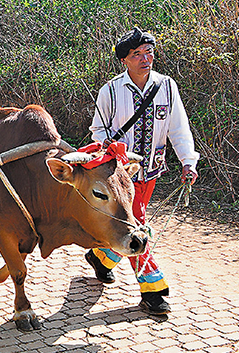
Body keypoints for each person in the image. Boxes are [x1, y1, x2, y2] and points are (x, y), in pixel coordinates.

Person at [85, 27, 200, 316]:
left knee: (134, 220)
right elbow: (98, 131)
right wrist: (110, 149)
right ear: (124, 60)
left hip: (151, 172)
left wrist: (188, 161)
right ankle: (153, 289)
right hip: (121, 178)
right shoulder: (110, 91)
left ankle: (102, 257)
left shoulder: (167, 86)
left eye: (149, 52)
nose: (145, 59)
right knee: (136, 226)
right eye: (137, 54)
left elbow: (178, 127)